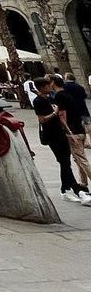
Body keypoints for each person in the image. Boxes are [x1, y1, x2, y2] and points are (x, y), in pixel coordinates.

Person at [33, 76, 91, 205]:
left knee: (65, 163)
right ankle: (77, 191)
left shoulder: (48, 98)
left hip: (60, 134)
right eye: (48, 86)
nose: (50, 87)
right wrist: (54, 113)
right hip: (52, 136)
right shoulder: (38, 102)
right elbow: (41, 119)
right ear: (42, 87)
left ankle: (65, 191)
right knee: (64, 163)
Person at [50, 74, 91, 188]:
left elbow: (63, 117)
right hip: (79, 128)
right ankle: (83, 182)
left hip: (73, 131)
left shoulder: (59, 96)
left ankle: (84, 182)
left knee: (81, 159)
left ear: (53, 83)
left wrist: (69, 132)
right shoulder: (68, 93)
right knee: (79, 158)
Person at [62, 72, 91, 145]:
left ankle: (84, 142)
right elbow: (84, 97)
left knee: (78, 126)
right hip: (83, 108)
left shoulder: (64, 87)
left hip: (72, 110)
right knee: (88, 124)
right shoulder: (80, 87)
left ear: (66, 78)